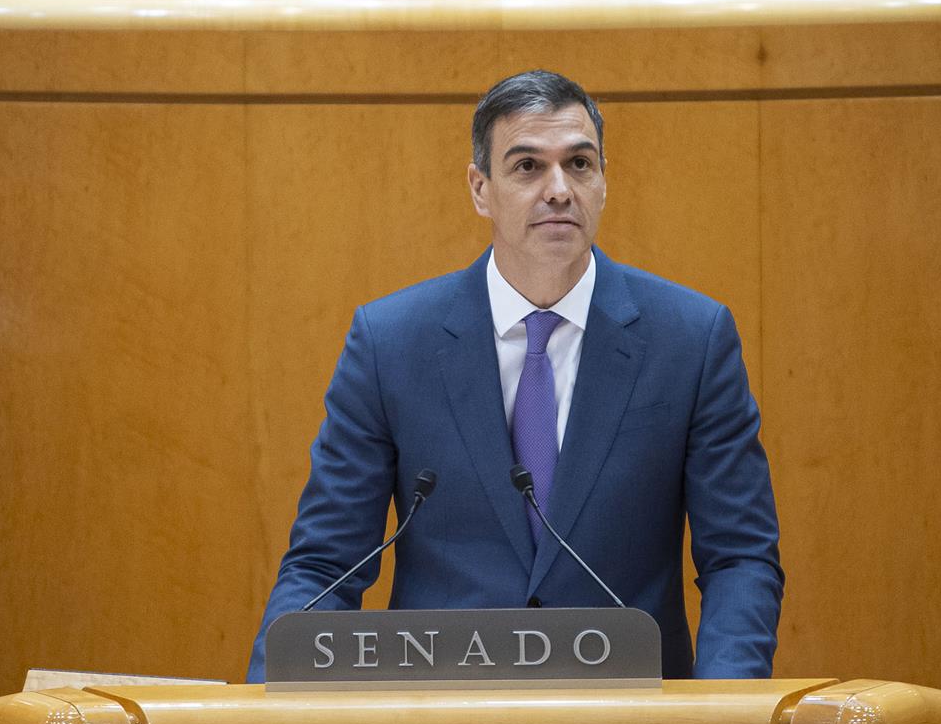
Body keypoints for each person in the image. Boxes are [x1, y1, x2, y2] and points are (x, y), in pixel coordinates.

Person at [247, 70, 783, 682]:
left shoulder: (691, 337)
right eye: (528, 166)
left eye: (579, 164)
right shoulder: (391, 343)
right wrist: (266, 717)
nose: (559, 189)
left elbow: (740, 558)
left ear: (603, 182)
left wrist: (721, 723)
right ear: (481, 188)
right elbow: (324, 564)